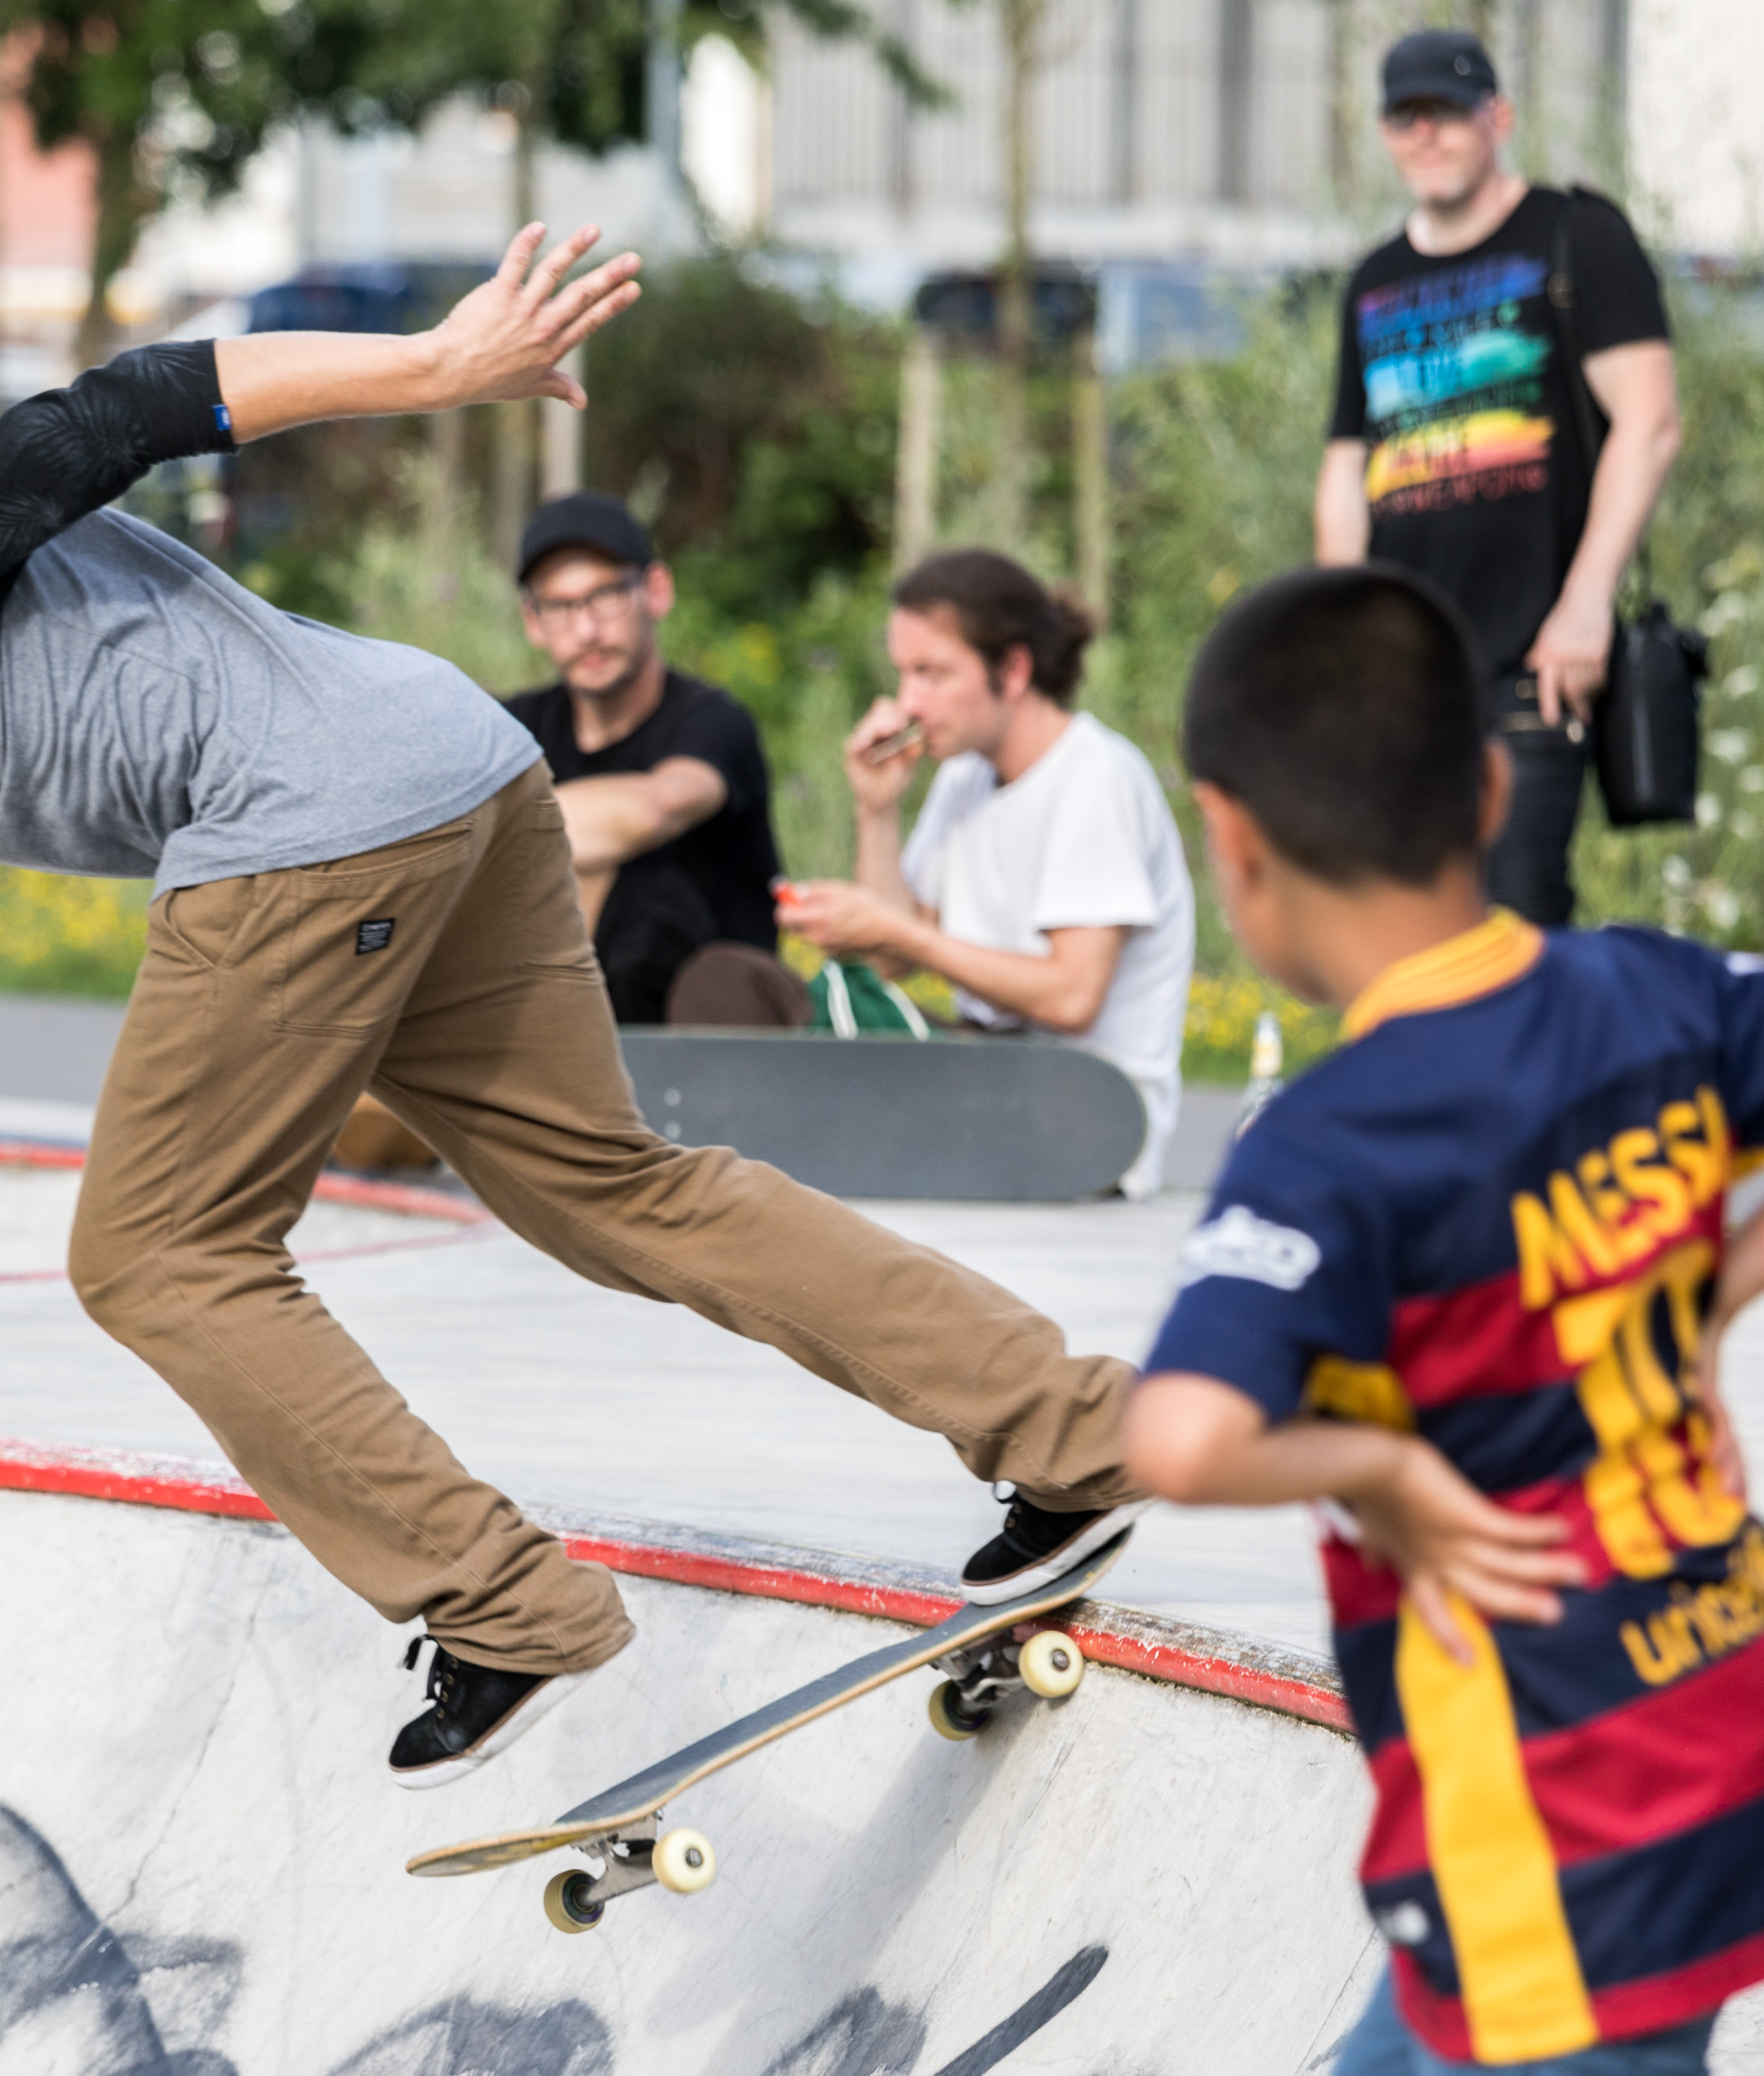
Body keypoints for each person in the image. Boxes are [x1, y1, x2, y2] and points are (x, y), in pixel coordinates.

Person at [0, 227, 1145, 1791]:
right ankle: (1072, 1431)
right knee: (612, 1188)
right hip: (456, 765)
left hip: (304, 822)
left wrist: (439, 367)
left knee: (158, 1254)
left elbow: (115, 412)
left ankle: (504, 1603)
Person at [1128, 563, 1764, 2075]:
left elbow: (1179, 1440)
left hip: (1546, 1825)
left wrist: (1382, 1468)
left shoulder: (1330, 1143)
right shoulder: (1654, 992)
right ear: (1489, 787)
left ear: (1231, 838)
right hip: (1701, 1696)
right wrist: (1708, 1290)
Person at [1316, 27, 1684, 929]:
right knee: (1407, 931)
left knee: (1515, 925)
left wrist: (1585, 604)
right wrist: (1347, 637)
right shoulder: (1374, 279)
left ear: (1498, 119)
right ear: (1384, 133)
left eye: (1446, 113)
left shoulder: (1573, 236)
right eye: (1406, 117)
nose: (1427, 135)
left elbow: (1649, 423)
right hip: (1407, 677)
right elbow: (1346, 465)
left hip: (1532, 665)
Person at [781, 551, 1195, 1200]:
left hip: (1082, 1112)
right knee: (739, 984)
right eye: (903, 673)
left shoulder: (1095, 778)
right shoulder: (964, 778)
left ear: (1014, 669)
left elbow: (1071, 998)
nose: (909, 701)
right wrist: (876, 810)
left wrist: (901, 934)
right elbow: (886, 962)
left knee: (809, 1024)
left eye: (932, 673)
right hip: (989, 1070)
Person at [501, 492, 799, 1029]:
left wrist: (488, 827)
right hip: (565, 1028)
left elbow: (651, 810)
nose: (586, 630)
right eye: (560, 607)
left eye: (605, 596)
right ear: (533, 620)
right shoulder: (510, 731)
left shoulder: (713, 722)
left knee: (650, 885)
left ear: (656, 591)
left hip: (716, 1037)